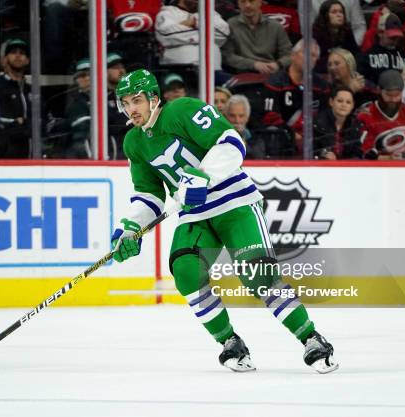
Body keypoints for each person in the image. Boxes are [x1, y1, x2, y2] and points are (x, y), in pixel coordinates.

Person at [111, 68, 338, 374]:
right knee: (185, 272)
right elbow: (149, 195)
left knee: (257, 275)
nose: (131, 108)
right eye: (125, 102)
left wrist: (202, 177)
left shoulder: (182, 109)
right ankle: (230, 342)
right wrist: (131, 228)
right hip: (196, 215)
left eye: (136, 100)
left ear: (154, 98)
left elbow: (231, 142)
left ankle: (311, 337)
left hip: (234, 202)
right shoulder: (133, 143)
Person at [259, 40, 331, 152]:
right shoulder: (275, 82)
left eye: (313, 56)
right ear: (293, 56)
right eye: (305, 53)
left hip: (314, 142)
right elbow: (270, 117)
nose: (309, 59)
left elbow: (325, 118)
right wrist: (292, 135)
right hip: (282, 141)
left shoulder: (321, 86)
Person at [358, 69, 405, 160]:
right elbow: (363, 152)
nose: (393, 100)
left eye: (397, 95)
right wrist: (388, 159)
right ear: (379, 91)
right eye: (389, 95)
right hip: (377, 169)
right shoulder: (365, 115)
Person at [0, 38, 38, 158]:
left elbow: (42, 123)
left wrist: (23, 123)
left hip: (32, 161)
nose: (18, 56)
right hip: (3, 161)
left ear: (28, 60)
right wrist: (19, 124)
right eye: (13, 52)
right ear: (4, 60)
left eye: (22, 53)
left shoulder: (33, 91)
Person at [221, 0, 293, 74]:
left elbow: (289, 55)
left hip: (271, 73)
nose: (247, 5)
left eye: (252, 1)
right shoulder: (230, 25)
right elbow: (227, 56)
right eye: (243, 1)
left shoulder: (275, 26)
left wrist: (278, 65)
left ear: (260, 2)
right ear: (238, 4)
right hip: (242, 74)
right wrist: (254, 64)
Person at [155, 0, 229, 70]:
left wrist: (195, 21)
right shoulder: (168, 13)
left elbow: (223, 33)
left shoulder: (211, 13)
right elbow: (167, 35)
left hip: (213, 71)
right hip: (181, 72)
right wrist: (207, 32)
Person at [359, 13, 405, 84]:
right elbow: (362, 81)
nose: (395, 41)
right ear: (380, 33)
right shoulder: (367, 56)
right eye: (392, 37)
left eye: (397, 37)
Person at [313, 87, 364, 159]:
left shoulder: (355, 125)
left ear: (352, 106)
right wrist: (323, 154)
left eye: (348, 102)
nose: (344, 105)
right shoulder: (317, 123)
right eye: (340, 101)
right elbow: (311, 151)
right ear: (331, 102)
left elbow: (357, 153)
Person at [312, 0, 361, 74]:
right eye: (334, 12)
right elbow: (315, 62)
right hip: (324, 73)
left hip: (347, 72)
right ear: (325, 15)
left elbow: (355, 54)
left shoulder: (347, 31)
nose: (339, 15)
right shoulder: (316, 34)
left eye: (341, 12)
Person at [225, 94, 265, 159]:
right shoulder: (219, 138)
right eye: (232, 116)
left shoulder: (257, 139)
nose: (237, 121)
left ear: (247, 117)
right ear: (226, 117)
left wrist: (244, 146)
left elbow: (257, 160)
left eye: (241, 116)